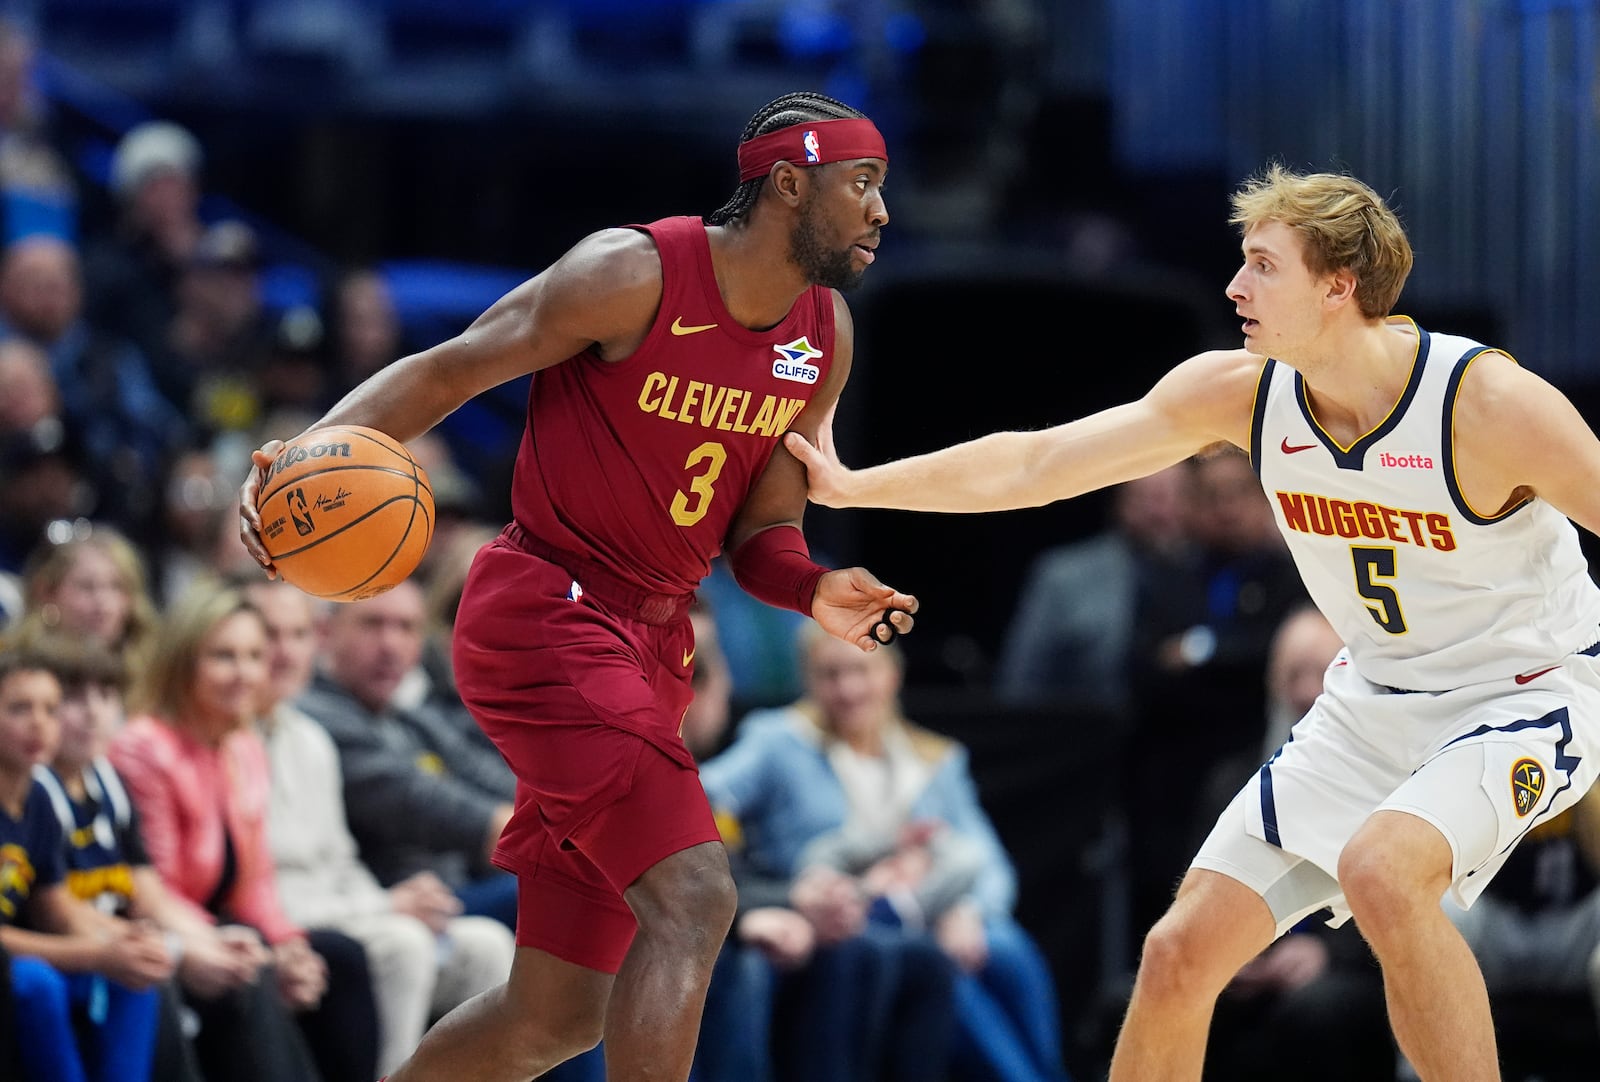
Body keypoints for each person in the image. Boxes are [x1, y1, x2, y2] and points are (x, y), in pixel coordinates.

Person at [785, 162, 1600, 1081]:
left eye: (1261, 265)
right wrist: (860, 486)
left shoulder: (1484, 403)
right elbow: (1038, 464)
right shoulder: (1244, 393)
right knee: (1177, 957)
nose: (1234, 286)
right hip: (1375, 698)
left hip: (1523, 693)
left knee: (1382, 870)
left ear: (1338, 286)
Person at [239, 89, 917, 1082]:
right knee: (696, 898)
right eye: (861, 183)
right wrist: (300, 461)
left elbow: (763, 530)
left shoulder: (824, 336)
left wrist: (813, 587)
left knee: (554, 1015)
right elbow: (448, 369)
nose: (881, 211)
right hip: (545, 610)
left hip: (653, 641)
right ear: (786, 185)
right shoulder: (630, 272)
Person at [702, 625, 1066, 1082]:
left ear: (892, 674)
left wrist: (969, 911)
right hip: (834, 909)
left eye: (860, 671)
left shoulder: (935, 759)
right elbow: (701, 794)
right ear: (809, 680)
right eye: (830, 674)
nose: (848, 689)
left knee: (1007, 948)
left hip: (932, 907)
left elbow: (989, 862)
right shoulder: (779, 740)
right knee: (942, 964)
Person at [109, 583, 380, 1082]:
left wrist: (290, 947)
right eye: (224, 657)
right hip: (162, 933)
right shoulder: (143, 748)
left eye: (254, 656)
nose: (246, 674)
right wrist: (224, 945)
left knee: (337, 959)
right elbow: (153, 889)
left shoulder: (242, 746)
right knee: (249, 970)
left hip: (221, 923)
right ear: (183, 663)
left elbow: (255, 881)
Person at [246, 576, 515, 1076]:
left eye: (406, 628)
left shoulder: (334, 733)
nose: (390, 644)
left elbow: (486, 777)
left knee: (486, 946)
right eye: (373, 624)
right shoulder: (320, 717)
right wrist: (385, 903)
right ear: (332, 634)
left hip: (383, 899)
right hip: (315, 914)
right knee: (561, 889)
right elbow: (423, 802)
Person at [31, 628, 322, 1082]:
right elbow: (58, 912)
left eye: (106, 695)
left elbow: (149, 892)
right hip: (76, 952)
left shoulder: (107, 781)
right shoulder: (35, 793)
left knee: (245, 963)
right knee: (152, 974)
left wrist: (210, 944)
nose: (91, 713)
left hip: (120, 938)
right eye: (71, 699)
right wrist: (175, 948)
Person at [0, 642, 174, 1082]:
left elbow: (51, 904)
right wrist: (95, 953)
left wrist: (124, 939)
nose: (39, 723)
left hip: (28, 954)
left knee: (134, 971)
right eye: (20, 708)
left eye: (51, 709)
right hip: (14, 966)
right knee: (38, 985)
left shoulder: (37, 797)